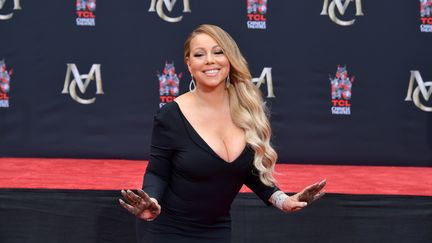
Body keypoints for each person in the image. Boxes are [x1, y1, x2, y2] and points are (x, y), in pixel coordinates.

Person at [119, 24, 326, 243]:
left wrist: (283, 200)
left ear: (229, 59)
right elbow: (157, 172)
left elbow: (247, 170)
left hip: (216, 230)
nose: (210, 60)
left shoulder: (247, 109)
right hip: (167, 230)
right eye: (199, 54)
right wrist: (151, 200)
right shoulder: (171, 114)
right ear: (189, 64)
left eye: (218, 52)